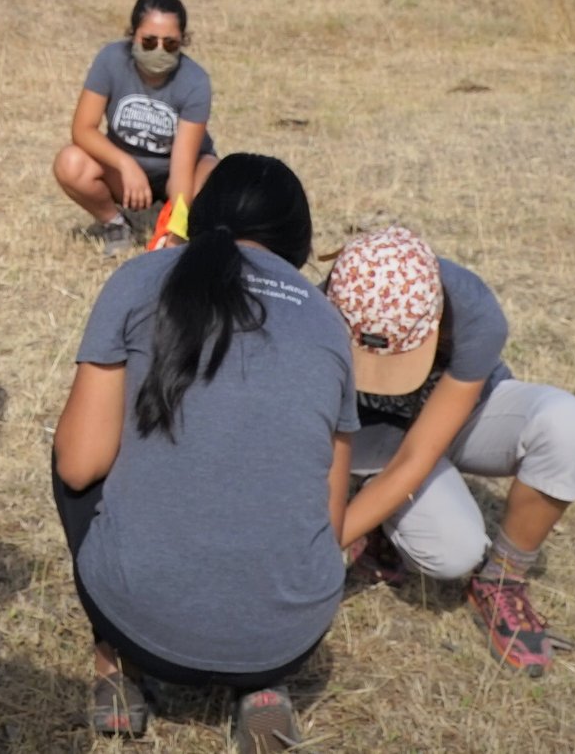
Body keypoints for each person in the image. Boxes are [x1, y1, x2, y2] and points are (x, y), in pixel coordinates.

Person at [52, 154, 355, 753]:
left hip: (140, 623)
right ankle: (262, 689)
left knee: (71, 450)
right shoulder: (328, 321)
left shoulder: (139, 279)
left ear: (198, 216)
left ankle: (116, 668)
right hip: (287, 638)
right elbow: (331, 518)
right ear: (299, 243)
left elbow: (79, 465)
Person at [325, 227, 575, 677]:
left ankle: (502, 578)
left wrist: (318, 545)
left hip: (457, 418)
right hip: (373, 434)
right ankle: (382, 520)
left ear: (435, 319)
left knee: (566, 423)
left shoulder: (475, 312)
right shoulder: (327, 300)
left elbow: (418, 455)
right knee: (454, 553)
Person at [55, 0, 219, 252]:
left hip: (177, 172)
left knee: (215, 178)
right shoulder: (110, 60)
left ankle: (183, 229)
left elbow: (182, 163)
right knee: (70, 163)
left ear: (183, 41)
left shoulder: (195, 81)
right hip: (123, 171)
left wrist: (176, 231)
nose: (159, 51)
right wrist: (125, 164)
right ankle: (115, 224)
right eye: (149, 41)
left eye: (170, 44)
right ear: (133, 35)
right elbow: (82, 129)